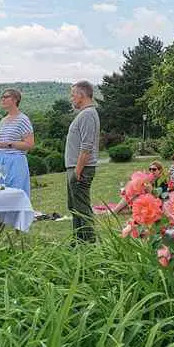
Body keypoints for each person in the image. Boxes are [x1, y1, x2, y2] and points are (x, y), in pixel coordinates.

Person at [64, 80, 100, 242]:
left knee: (82, 209)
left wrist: (77, 171)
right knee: (75, 208)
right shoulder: (85, 114)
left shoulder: (87, 115)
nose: (72, 99)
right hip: (75, 168)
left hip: (81, 169)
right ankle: (78, 242)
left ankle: (90, 245)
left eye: (73, 95)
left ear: (81, 95)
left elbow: (87, 146)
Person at [0, 88, 34, 199]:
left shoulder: (23, 119)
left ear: (15, 100)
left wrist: (9, 144)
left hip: (15, 162)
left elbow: (29, 144)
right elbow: (2, 144)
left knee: (14, 196)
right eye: (2, 97)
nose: (2, 99)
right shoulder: (3, 121)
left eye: (6, 97)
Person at [96, 160, 167, 214]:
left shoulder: (162, 181)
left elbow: (158, 196)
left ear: (160, 170)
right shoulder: (149, 178)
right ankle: (115, 211)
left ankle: (114, 211)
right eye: (150, 169)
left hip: (155, 203)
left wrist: (149, 190)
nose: (151, 171)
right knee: (133, 194)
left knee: (133, 198)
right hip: (142, 200)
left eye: (154, 169)